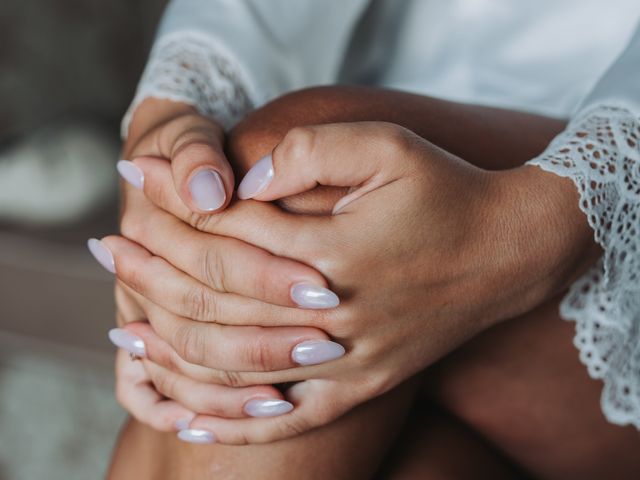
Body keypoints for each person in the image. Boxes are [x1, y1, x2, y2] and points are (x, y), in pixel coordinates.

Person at [88, 1, 640, 477]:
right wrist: (174, 114)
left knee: (298, 195)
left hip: (604, 135)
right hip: (403, 92)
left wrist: (563, 212)